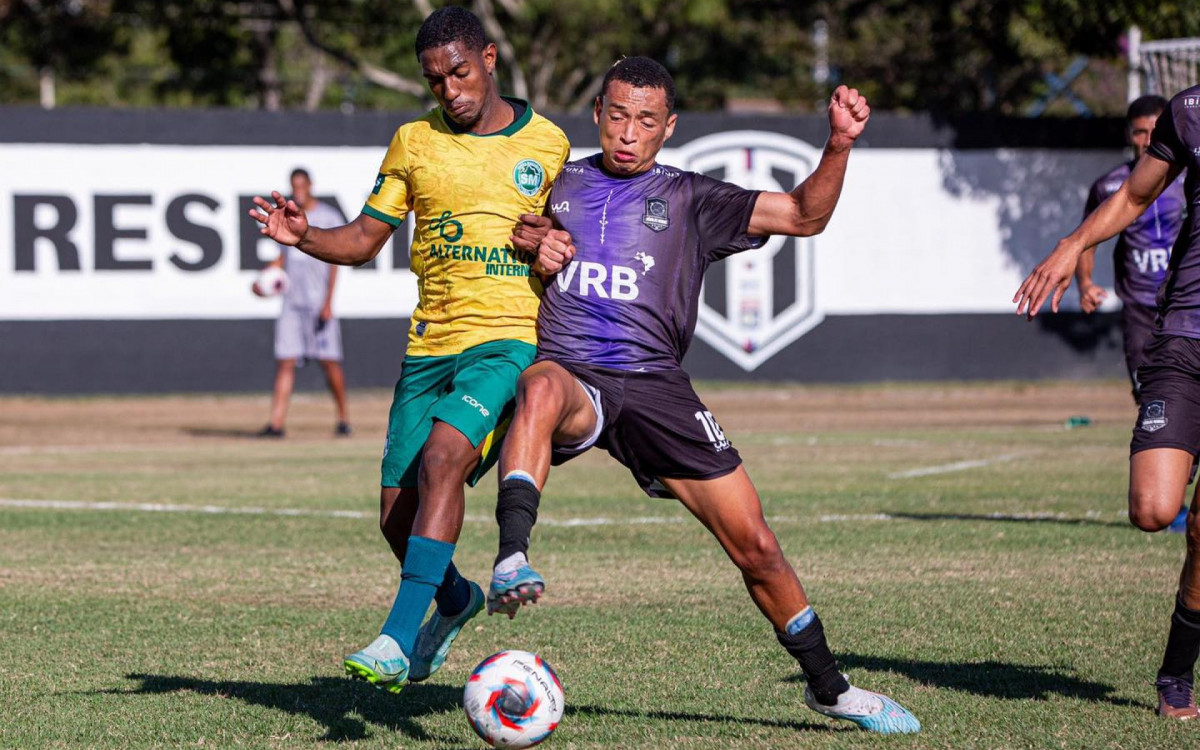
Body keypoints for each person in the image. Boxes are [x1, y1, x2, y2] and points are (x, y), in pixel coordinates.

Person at [487, 57, 920, 734]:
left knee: (758, 547)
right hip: (578, 375)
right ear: (598, 111)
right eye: (619, 115)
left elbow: (805, 215)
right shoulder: (558, 181)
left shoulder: (691, 198)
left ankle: (830, 688)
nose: (629, 133)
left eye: (647, 121)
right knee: (538, 386)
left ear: (669, 128)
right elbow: (512, 236)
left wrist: (837, 145)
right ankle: (512, 555)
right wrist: (530, 240)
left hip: (658, 388)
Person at [248, 6, 569, 693]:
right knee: (396, 514)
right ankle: (454, 600)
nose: (449, 90)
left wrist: (553, 247)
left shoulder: (549, 144)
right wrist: (304, 234)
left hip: (508, 340)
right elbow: (363, 241)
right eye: (434, 81)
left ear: (487, 59)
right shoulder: (412, 142)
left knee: (444, 457)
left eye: (458, 72)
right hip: (429, 347)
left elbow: (573, 242)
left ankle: (397, 638)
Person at [1014, 84, 1200, 721]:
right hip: (1182, 337)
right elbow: (1134, 193)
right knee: (1153, 509)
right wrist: (1072, 247)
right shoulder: (1189, 111)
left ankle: (1176, 675)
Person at [1075, 96, 1185, 400]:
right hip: (1139, 309)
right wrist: (1085, 283)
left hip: (1185, 304)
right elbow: (1086, 239)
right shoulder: (1109, 186)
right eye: (1139, 132)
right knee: (1149, 397)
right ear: (1129, 134)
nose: (1148, 140)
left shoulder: (1191, 177)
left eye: (1156, 129)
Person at [254, 168, 351, 438]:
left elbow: (335, 263)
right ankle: (276, 424)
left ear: (310, 185)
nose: (298, 190)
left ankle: (344, 419)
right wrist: (262, 280)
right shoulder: (286, 218)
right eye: (293, 186)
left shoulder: (328, 216)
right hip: (292, 303)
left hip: (318, 302)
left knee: (329, 362)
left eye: (302, 185)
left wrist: (329, 302)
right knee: (285, 361)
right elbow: (282, 259)